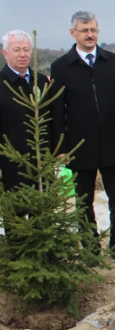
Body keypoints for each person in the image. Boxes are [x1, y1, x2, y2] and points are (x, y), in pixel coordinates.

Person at [50, 11, 115, 265]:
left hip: (112, 141)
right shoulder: (61, 67)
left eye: (93, 30)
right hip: (80, 145)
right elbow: (57, 111)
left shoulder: (114, 62)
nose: (90, 35)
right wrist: (61, 147)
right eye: (84, 30)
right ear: (73, 33)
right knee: (83, 201)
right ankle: (90, 247)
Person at [0, 30, 52, 240]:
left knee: (44, 213)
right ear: (5, 53)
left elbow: (53, 119)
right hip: (11, 161)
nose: (22, 54)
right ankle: (18, 253)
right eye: (16, 50)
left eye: (26, 49)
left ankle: (45, 252)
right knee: (16, 214)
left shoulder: (42, 82)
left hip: (42, 160)